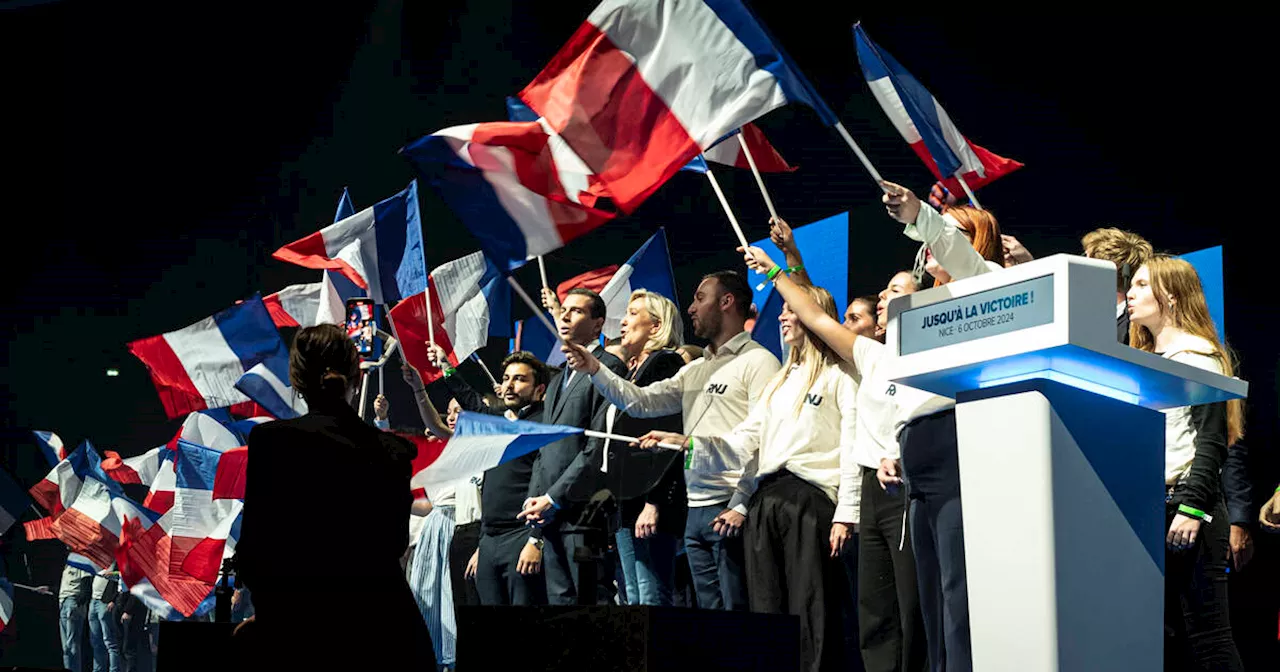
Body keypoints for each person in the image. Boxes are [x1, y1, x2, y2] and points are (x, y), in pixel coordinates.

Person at [746, 180, 1000, 672]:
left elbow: (955, 252)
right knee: (926, 596)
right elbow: (817, 319)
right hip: (909, 463)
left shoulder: (984, 288)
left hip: (955, 449)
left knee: (955, 590)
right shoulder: (907, 334)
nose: (932, 248)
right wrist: (779, 272)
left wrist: (920, 214)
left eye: (948, 236)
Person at [640, 284, 860, 672]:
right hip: (766, 501)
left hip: (811, 503)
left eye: (792, 310)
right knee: (766, 609)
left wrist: (847, 511)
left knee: (811, 609)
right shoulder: (779, 384)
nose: (782, 317)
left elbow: (852, 444)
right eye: (785, 310)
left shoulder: (840, 376)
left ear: (813, 314)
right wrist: (685, 443)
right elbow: (742, 442)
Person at [743, 241, 928, 672]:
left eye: (895, 290)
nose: (883, 295)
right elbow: (814, 314)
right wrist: (779, 269)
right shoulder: (871, 356)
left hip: (907, 484)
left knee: (911, 604)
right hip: (871, 489)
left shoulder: (930, 357)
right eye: (883, 289)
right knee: (874, 611)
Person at [560, 271, 782, 612]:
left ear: (727, 303)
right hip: (695, 509)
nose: (691, 308)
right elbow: (640, 401)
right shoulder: (696, 370)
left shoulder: (759, 362)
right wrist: (595, 369)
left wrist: (740, 502)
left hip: (731, 506)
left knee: (738, 617)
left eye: (699, 298)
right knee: (706, 618)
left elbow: (761, 439)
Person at [236, 324, 435, 667]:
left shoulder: (273, 441)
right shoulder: (394, 450)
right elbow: (394, 542)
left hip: (301, 627)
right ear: (357, 376)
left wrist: (271, 616)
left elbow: (257, 547)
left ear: (296, 379)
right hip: (386, 630)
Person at [1126, 256, 1246, 671]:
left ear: (1171, 296)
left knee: (1209, 638)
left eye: (1142, 285)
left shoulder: (1197, 357)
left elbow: (1212, 443)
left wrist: (1192, 508)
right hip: (1149, 509)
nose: (1131, 292)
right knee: (1161, 638)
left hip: (1188, 511)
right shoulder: (1143, 360)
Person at [574, 290, 687, 606]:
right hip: (624, 501)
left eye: (634, 313)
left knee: (652, 597)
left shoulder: (666, 362)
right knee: (633, 598)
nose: (623, 321)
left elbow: (669, 435)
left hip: (650, 499)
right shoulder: (632, 370)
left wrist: (655, 502)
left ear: (656, 325)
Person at [518, 288, 628, 605]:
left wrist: (553, 497)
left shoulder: (608, 368)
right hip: (550, 518)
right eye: (563, 309)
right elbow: (546, 450)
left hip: (585, 516)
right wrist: (537, 500)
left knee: (592, 603)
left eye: (576, 311)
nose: (565, 316)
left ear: (598, 324)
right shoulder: (555, 381)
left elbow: (597, 447)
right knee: (562, 608)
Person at [428, 350, 550, 606]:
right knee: (490, 631)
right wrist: (445, 367)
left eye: (519, 379)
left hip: (521, 537)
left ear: (539, 389)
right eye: (506, 378)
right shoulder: (497, 422)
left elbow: (546, 483)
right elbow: (469, 399)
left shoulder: (544, 425)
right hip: (489, 539)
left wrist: (535, 540)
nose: (509, 385)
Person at [59, 563, 92, 672]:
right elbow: (66, 586)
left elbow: (86, 583)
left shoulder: (82, 562)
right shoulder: (67, 565)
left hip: (73, 601)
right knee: (66, 648)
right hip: (63, 602)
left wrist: (78, 603)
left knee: (72, 644)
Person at [88, 568, 122, 672]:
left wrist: (113, 599)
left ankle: (114, 670)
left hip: (105, 602)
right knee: (95, 641)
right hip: (93, 600)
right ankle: (98, 670)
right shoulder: (97, 561)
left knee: (109, 640)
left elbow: (122, 578)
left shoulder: (116, 562)